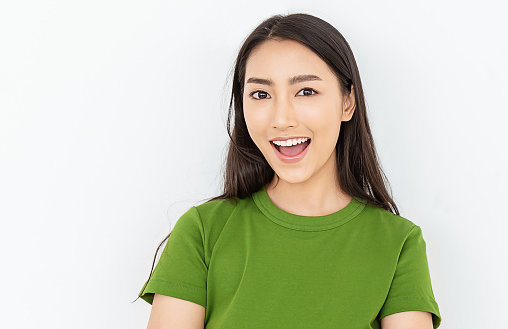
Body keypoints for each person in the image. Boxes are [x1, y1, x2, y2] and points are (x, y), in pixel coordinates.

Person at [138, 13, 441, 329]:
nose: (281, 118)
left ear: (347, 102)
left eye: (306, 91)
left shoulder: (398, 243)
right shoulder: (202, 232)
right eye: (261, 94)